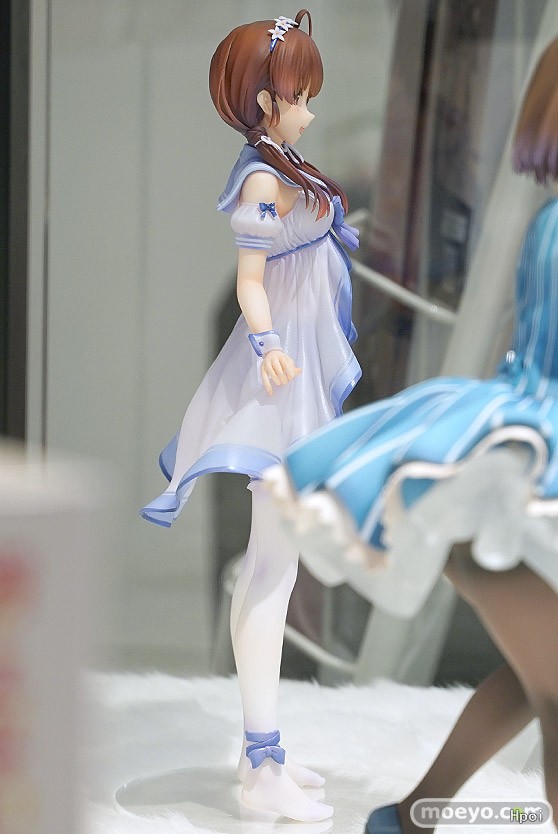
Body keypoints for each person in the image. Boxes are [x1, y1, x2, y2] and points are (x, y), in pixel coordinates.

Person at [268, 35, 558, 834]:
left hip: (503, 480)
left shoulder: (549, 223)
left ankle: (409, 818)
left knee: (534, 681)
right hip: (506, 484)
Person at [140, 10, 360, 822]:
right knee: (271, 566)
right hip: (277, 380)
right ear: (269, 99)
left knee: (276, 563)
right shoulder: (263, 178)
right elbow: (249, 280)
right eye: (301, 95)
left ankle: (258, 751)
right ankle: (262, 762)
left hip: (293, 369)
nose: (310, 109)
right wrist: (266, 346)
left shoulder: (284, 164)